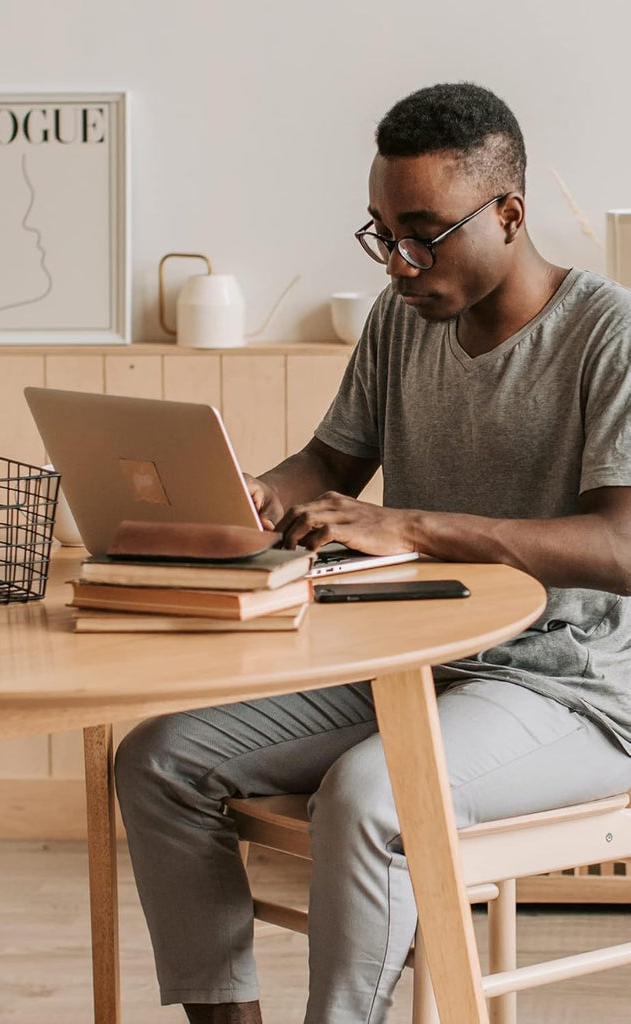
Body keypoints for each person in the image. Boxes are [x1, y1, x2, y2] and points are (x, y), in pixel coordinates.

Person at [114, 81, 631, 1024]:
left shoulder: (611, 334)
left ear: (508, 214)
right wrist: (255, 496)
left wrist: (414, 525)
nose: (396, 262)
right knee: (157, 760)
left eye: (421, 233)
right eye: (380, 231)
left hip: (574, 684)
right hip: (412, 659)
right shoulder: (404, 319)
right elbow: (329, 462)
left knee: (367, 797)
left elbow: (624, 546)